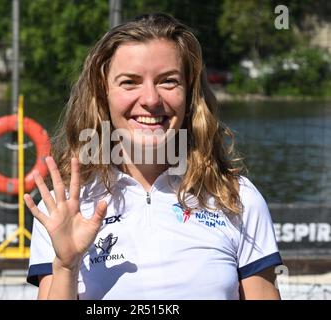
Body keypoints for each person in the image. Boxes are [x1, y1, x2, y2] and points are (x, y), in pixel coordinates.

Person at [25, 13, 283, 300]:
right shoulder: (64, 208)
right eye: (129, 82)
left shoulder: (237, 198)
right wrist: (65, 265)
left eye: (168, 81)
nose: (150, 99)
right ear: (103, 95)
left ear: (190, 94)